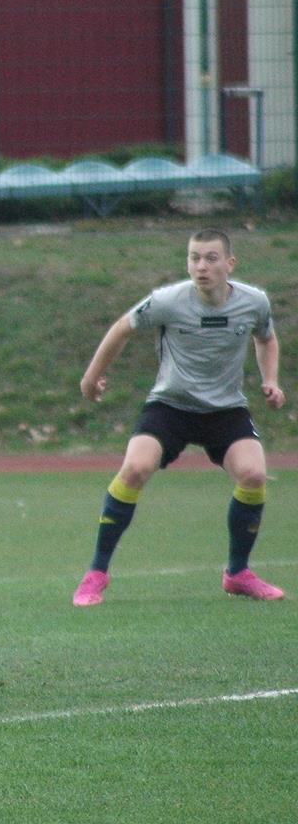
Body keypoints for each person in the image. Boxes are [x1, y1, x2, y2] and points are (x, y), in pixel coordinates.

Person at [72, 227, 285, 606]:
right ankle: (96, 573)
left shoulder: (254, 302)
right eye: (194, 258)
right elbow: (122, 327)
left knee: (253, 474)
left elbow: (266, 337)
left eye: (210, 258)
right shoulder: (168, 301)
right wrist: (91, 378)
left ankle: (237, 573)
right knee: (135, 468)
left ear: (230, 264)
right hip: (170, 406)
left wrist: (270, 380)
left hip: (225, 409)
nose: (201, 266)